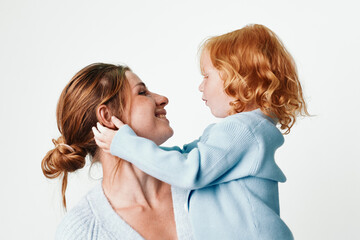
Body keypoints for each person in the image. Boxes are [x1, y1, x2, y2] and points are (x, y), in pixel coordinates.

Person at [93, 24, 308, 240]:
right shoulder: (243, 131)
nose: (201, 86)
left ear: (240, 79)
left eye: (207, 76)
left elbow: (188, 170)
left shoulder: (242, 130)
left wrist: (126, 145)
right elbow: (184, 156)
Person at [41, 63, 193, 240]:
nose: (162, 99)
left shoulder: (200, 176)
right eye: (142, 92)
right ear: (107, 117)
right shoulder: (83, 231)